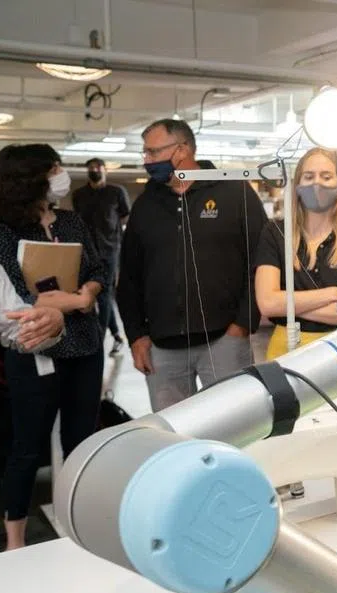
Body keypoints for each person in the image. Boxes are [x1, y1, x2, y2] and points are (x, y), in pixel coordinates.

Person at [0, 144, 106, 551]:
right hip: (33, 349)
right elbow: (17, 298)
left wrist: (89, 290)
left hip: (85, 346)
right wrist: (78, 301)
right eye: (55, 168)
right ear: (31, 178)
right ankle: (15, 539)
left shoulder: (72, 221)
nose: (62, 175)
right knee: (27, 446)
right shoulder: (3, 232)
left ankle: (80, 520)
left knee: (81, 440)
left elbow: (96, 268)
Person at [118, 119, 266, 412]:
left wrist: (243, 323)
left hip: (224, 338)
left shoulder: (233, 191)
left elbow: (262, 258)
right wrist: (136, 336)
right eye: (144, 154)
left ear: (182, 150)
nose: (147, 161)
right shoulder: (146, 204)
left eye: (152, 152)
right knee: (175, 433)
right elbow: (130, 276)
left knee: (236, 421)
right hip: (162, 347)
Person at [253, 148, 337, 359]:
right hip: (285, 348)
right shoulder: (275, 233)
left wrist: (286, 306)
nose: (316, 183)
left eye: (326, 176)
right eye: (308, 177)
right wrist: (333, 294)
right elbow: (267, 304)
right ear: (298, 186)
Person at [72, 157, 129, 355]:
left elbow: (123, 217)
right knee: (95, 294)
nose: (94, 170)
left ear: (105, 170)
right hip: (87, 252)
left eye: (97, 167)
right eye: (91, 168)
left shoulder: (116, 192)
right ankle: (116, 335)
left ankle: (99, 340)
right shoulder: (79, 195)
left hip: (109, 250)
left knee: (104, 295)